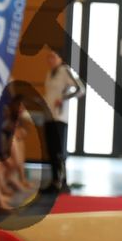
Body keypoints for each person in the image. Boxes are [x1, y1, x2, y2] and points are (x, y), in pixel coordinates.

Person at [41, 50, 85, 192]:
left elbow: (80, 89)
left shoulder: (64, 71)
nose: (50, 60)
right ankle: (55, 180)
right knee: (51, 150)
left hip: (59, 117)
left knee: (58, 150)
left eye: (53, 57)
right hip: (48, 116)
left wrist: (63, 98)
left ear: (60, 58)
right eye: (49, 57)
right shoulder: (49, 73)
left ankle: (62, 181)